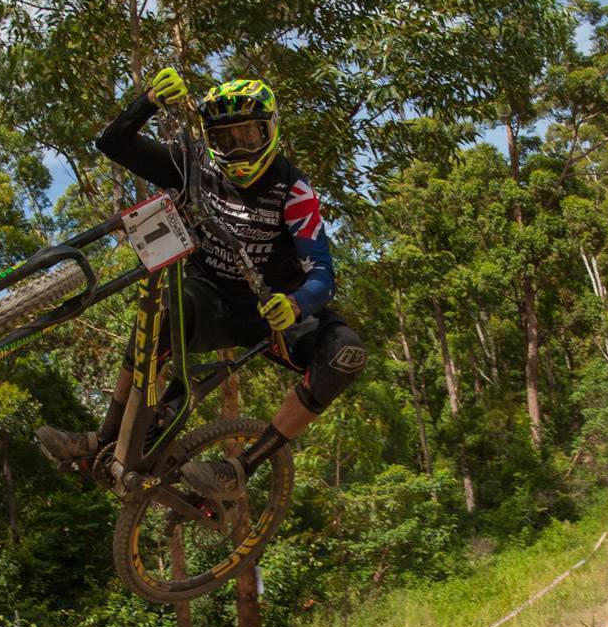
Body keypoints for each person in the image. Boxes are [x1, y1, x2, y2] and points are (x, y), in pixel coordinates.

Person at [35, 67, 367, 500]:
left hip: (270, 314)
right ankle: (102, 439)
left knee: (346, 354)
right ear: (211, 141)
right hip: (208, 300)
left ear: (272, 132)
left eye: (251, 135)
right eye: (227, 139)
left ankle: (239, 470)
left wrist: (298, 304)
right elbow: (113, 143)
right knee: (160, 308)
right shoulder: (194, 162)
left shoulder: (293, 190)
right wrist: (148, 101)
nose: (241, 148)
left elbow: (322, 274)